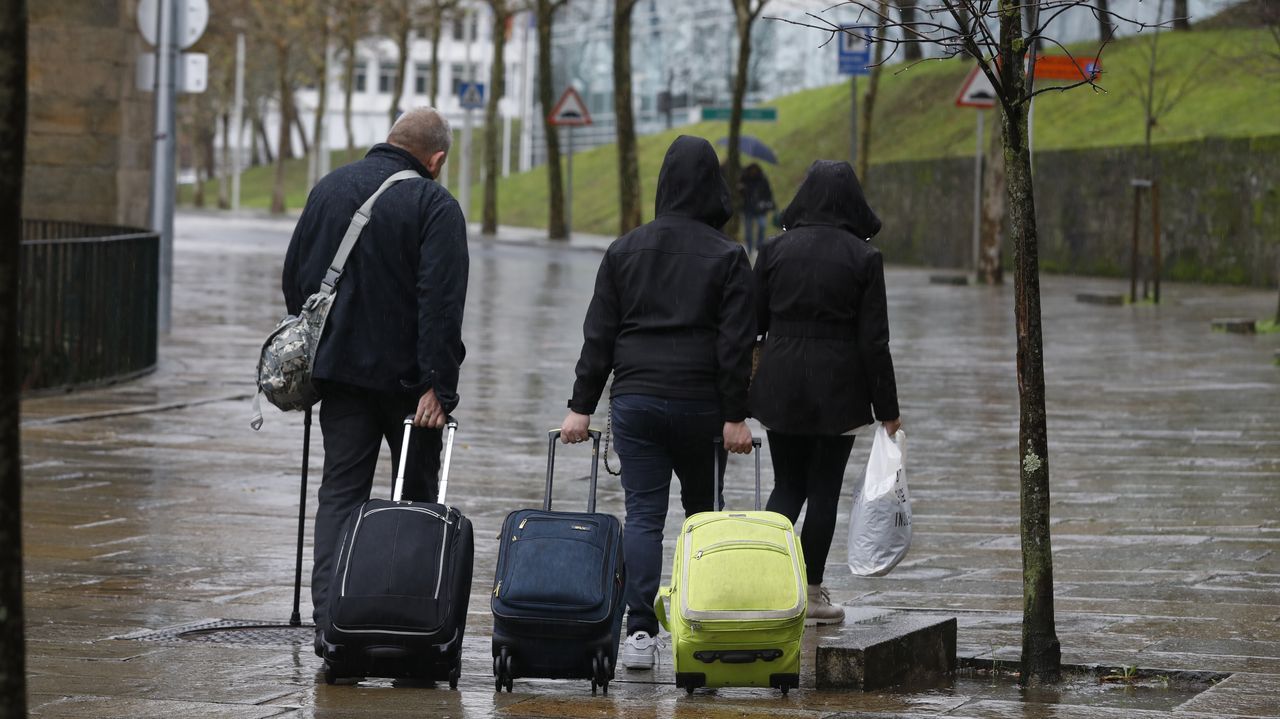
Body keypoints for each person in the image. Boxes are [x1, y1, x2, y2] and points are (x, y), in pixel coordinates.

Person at [560, 135, 756, 670]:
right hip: (702, 407)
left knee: (643, 516)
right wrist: (736, 415)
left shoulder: (625, 249)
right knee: (703, 518)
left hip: (638, 400)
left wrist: (581, 405)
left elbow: (598, 335)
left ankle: (640, 634)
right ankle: (702, 626)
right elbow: (736, 345)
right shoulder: (730, 256)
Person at [281, 107, 469, 651]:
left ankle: (330, 622)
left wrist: (331, 345)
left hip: (339, 376)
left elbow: (297, 280)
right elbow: (441, 302)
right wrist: (440, 384)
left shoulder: (329, 188)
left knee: (340, 491)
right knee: (413, 498)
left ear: (389, 141)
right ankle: (403, 617)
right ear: (436, 159)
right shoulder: (434, 204)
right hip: (412, 388)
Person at [748, 160, 902, 626]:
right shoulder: (864, 257)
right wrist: (888, 409)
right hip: (839, 388)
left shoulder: (774, 250)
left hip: (780, 383)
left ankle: (766, 584)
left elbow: (753, 324)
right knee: (823, 492)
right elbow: (874, 340)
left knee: (787, 485)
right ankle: (811, 593)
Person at [739, 162, 774, 256]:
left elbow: (768, 193)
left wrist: (768, 203)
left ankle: (759, 247)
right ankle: (750, 249)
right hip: (748, 209)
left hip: (760, 209)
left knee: (762, 226)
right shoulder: (744, 179)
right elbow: (740, 194)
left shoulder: (762, 179)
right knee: (748, 231)